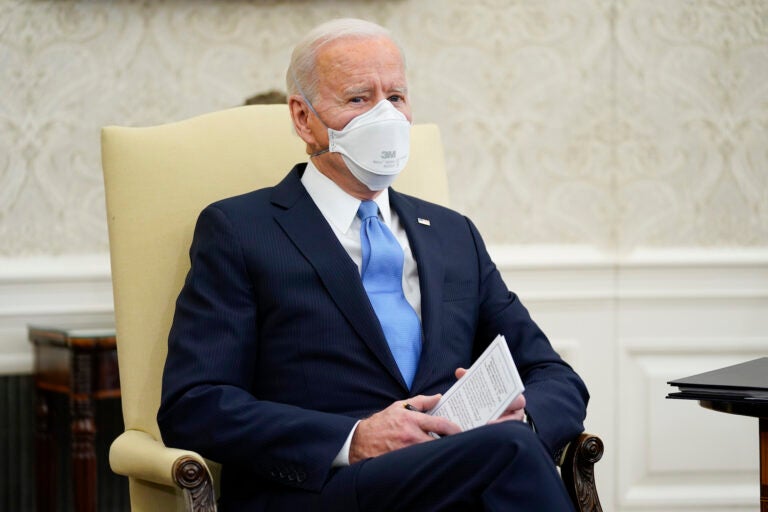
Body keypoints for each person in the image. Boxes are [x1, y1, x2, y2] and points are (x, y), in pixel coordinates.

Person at [158, 18, 589, 511]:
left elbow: (552, 374)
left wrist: (523, 420)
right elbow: (195, 405)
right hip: (325, 489)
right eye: (360, 99)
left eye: (397, 98)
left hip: (458, 472)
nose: (384, 116)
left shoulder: (453, 234)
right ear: (303, 118)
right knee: (508, 455)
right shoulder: (240, 229)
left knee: (508, 445)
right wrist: (354, 437)